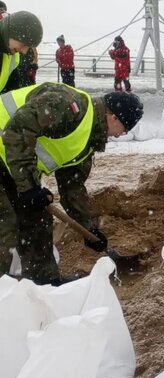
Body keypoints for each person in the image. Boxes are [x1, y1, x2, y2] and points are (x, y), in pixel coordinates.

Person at [0, 83, 144, 286]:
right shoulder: (68, 104)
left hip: (11, 165)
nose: (121, 135)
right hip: (9, 156)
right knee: (5, 228)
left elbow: (72, 186)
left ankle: (46, 285)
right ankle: (4, 299)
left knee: (38, 221)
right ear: (114, 117)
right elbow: (18, 129)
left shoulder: (87, 143)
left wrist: (88, 229)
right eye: (125, 128)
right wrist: (30, 187)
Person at [0, 11, 43, 93]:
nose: (24, 51)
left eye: (28, 48)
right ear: (11, 33)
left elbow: (11, 90)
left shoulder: (13, 55)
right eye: (24, 44)